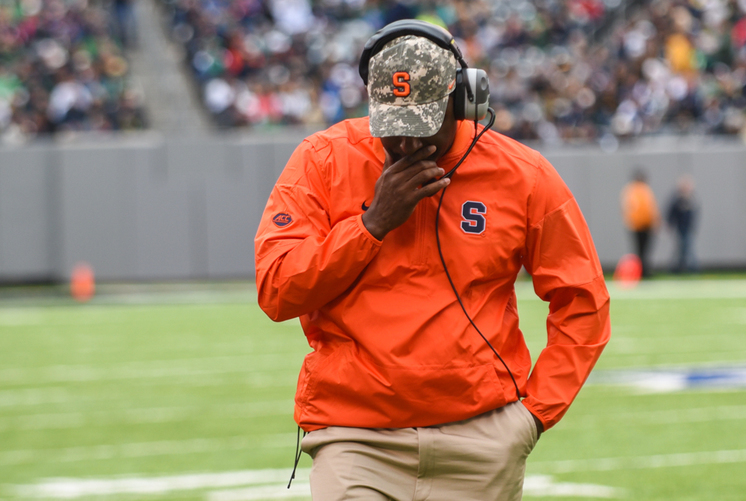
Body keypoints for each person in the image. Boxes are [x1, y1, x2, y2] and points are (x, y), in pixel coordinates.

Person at [255, 20, 610, 501]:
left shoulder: (521, 174)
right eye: (392, 130)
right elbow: (277, 290)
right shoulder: (324, 160)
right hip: (356, 438)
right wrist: (370, 225)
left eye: (420, 126)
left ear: (464, 100)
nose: (405, 145)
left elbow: (582, 299)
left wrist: (534, 414)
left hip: (481, 439)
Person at [621, 168, 660, 278]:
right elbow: (650, 208)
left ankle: (643, 270)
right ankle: (641, 271)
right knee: (641, 250)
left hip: (641, 224)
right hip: (640, 224)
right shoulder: (638, 190)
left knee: (641, 250)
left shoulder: (632, 190)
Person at [666, 174, 699, 273]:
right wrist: (670, 224)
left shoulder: (691, 198)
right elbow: (671, 212)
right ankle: (684, 267)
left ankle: (686, 267)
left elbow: (694, 214)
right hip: (680, 226)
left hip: (688, 227)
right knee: (683, 247)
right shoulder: (677, 199)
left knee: (686, 247)